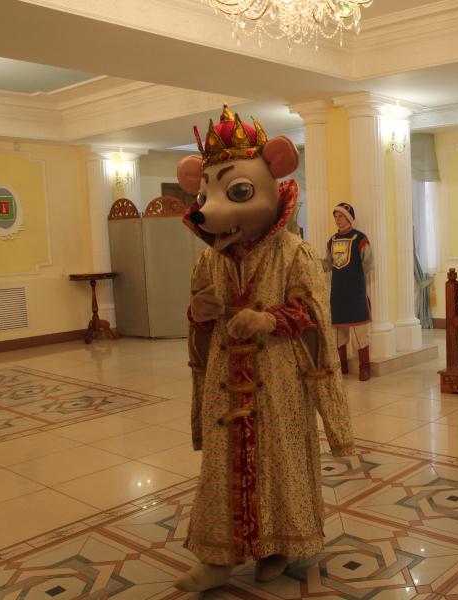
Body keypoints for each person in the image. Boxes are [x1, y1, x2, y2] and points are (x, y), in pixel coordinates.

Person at [172, 106, 355, 592]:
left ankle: (277, 546)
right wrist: (199, 311)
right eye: (205, 195)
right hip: (225, 384)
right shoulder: (209, 259)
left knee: (280, 462)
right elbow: (197, 315)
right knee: (222, 467)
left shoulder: (295, 252)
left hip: (279, 382)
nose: (210, 209)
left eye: (235, 192)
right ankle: (217, 557)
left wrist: (270, 318)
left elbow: (314, 314)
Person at [324, 203, 373, 381]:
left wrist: (354, 278)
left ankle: (364, 367)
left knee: (360, 332)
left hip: (355, 292)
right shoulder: (332, 240)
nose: (337, 219)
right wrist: (311, 262)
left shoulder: (360, 238)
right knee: (338, 333)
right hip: (338, 292)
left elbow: (368, 263)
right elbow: (328, 264)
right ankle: (342, 366)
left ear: (349, 218)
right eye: (335, 216)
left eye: (341, 216)